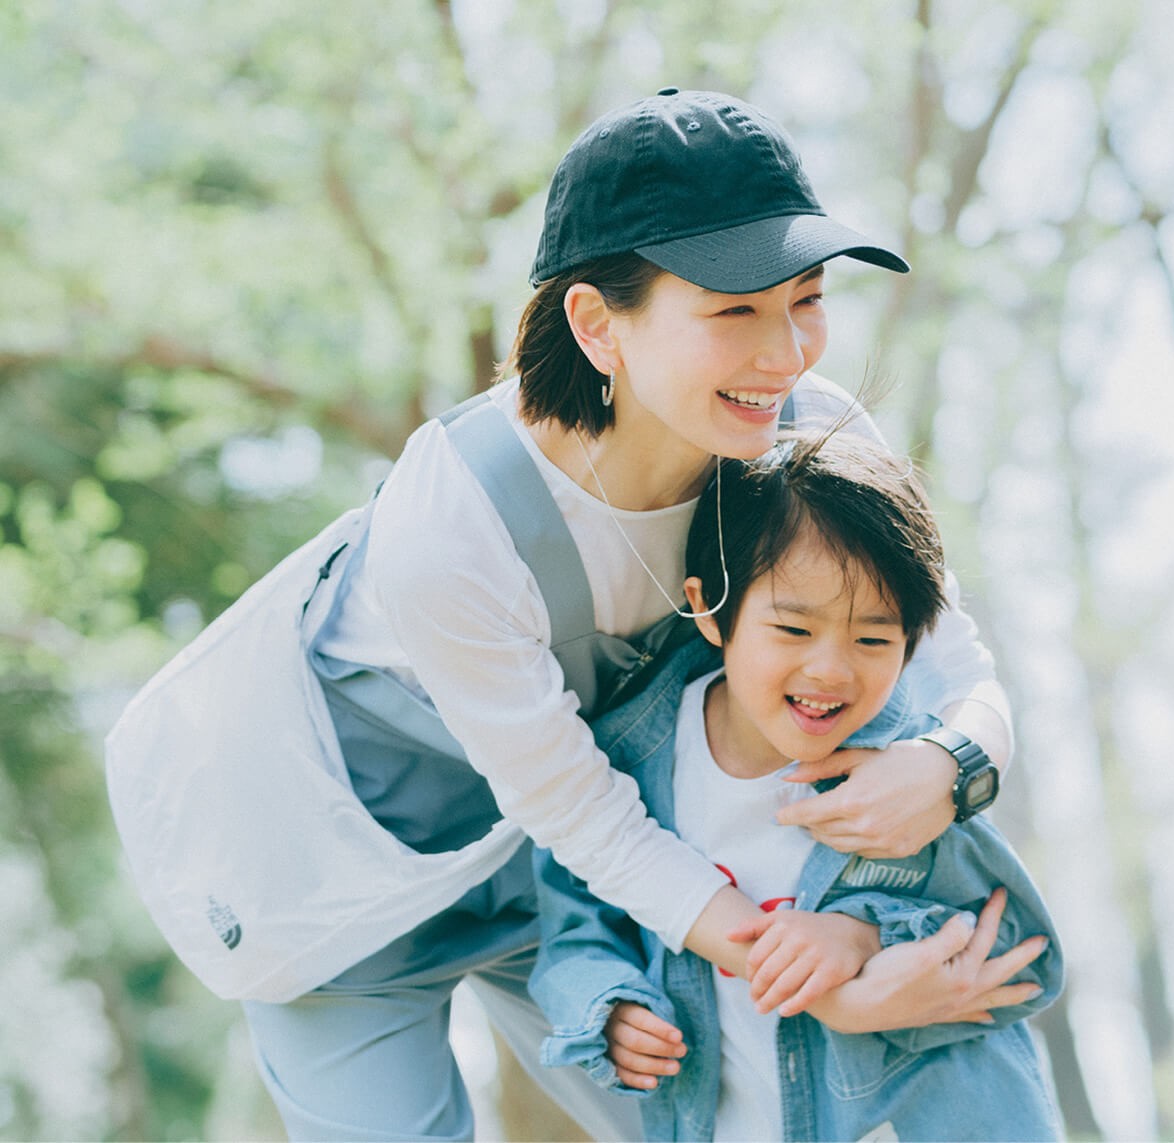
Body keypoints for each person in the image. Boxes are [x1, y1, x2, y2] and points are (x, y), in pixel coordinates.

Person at [106, 89, 1037, 1142]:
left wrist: (955, 763)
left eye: (807, 298)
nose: (786, 356)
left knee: (723, 1117)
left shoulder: (806, 440)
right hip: (343, 886)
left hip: (580, 885)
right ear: (597, 323)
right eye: (733, 310)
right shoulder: (453, 521)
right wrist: (814, 979)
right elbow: (573, 806)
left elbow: (944, 653)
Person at [531, 430, 1065, 1141]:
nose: (832, 670)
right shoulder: (630, 758)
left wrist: (861, 934)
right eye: (792, 628)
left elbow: (1026, 951)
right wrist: (610, 1005)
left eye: (874, 639)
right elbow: (573, 929)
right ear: (711, 609)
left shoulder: (910, 771)